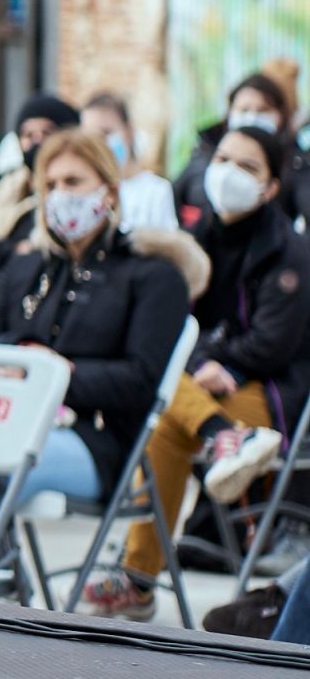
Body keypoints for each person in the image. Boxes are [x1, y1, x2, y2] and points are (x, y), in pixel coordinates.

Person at [0, 129, 205, 572]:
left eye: (73, 182)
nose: (60, 195)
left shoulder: (151, 276)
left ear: (109, 192)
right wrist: (25, 357)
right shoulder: (27, 267)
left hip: (96, 441)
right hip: (12, 423)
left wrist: (60, 375)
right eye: (50, 186)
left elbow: (140, 380)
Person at [85, 126, 310, 619]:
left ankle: (138, 580)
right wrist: (205, 362)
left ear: (272, 186)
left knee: (167, 417)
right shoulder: (194, 240)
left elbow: (274, 344)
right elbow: (167, 326)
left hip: (266, 391)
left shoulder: (289, 251)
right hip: (203, 384)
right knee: (170, 411)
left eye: (248, 167)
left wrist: (218, 361)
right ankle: (225, 436)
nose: (229, 173)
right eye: (223, 158)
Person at [0, 94, 79, 274]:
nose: (37, 141)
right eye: (28, 134)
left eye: (47, 133)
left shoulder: (68, 195)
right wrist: (12, 249)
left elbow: (37, 255)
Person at [172, 71, 296, 222]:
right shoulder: (202, 155)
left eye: (248, 166)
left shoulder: (296, 164)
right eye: (244, 109)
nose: (252, 117)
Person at [79, 92, 178, 231]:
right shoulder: (84, 190)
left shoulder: (156, 191)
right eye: (91, 137)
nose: (99, 144)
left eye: (106, 132)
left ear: (129, 131)